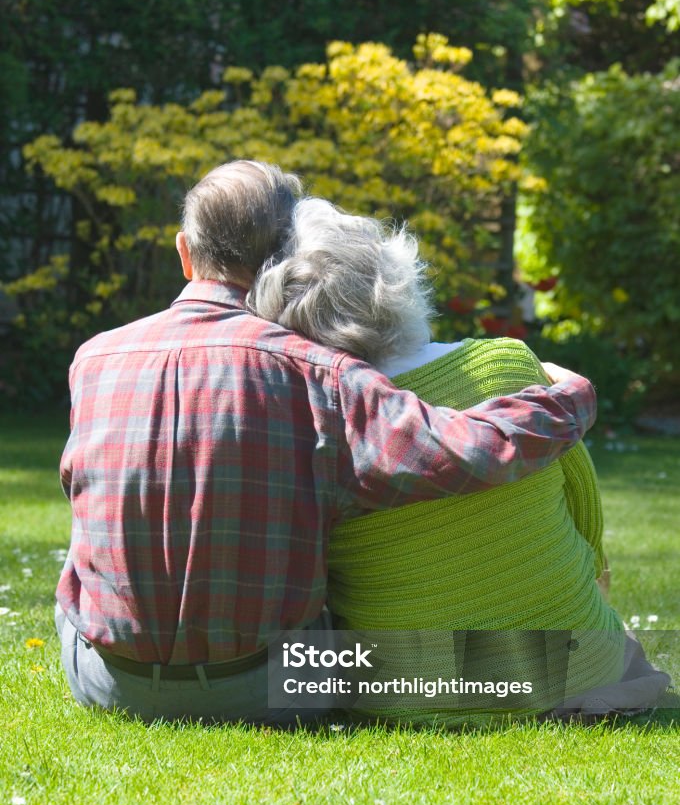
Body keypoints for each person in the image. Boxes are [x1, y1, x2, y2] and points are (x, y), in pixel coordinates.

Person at [56, 160, 598, 726]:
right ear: (288, 256)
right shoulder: (318, 370)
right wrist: (571, 396)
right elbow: (465, 448)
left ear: (184, 252)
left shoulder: (93, 358)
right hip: (269, 688)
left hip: (105, 681)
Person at [249, 196, 671, 723]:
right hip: (577, 677)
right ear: (397, 277)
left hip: (408, 697)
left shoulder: (309, 413)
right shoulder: (505, 361)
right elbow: (584, 510)